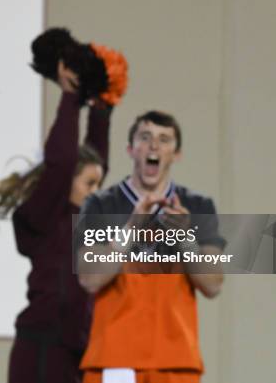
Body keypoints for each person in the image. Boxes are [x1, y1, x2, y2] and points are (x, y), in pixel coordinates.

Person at [0, 61, 115, 383]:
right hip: (41, 349)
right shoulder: (44, 215)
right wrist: (70, 97)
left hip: (79, 349)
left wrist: (102, 108)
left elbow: (97, 161)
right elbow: (62, 161)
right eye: (89, 184)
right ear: (66, 182)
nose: (97, 191)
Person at [78, 111, 226, 383]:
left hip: (177, 360)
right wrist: (132, 227)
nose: (154, 146)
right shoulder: (100, 205)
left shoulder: (198, 207)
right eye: (145, 138)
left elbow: (213, 284)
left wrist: (185, 238)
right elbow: (89, 278)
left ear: (176, 153)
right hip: (114, 358)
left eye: (164, 139)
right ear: (130, 149)